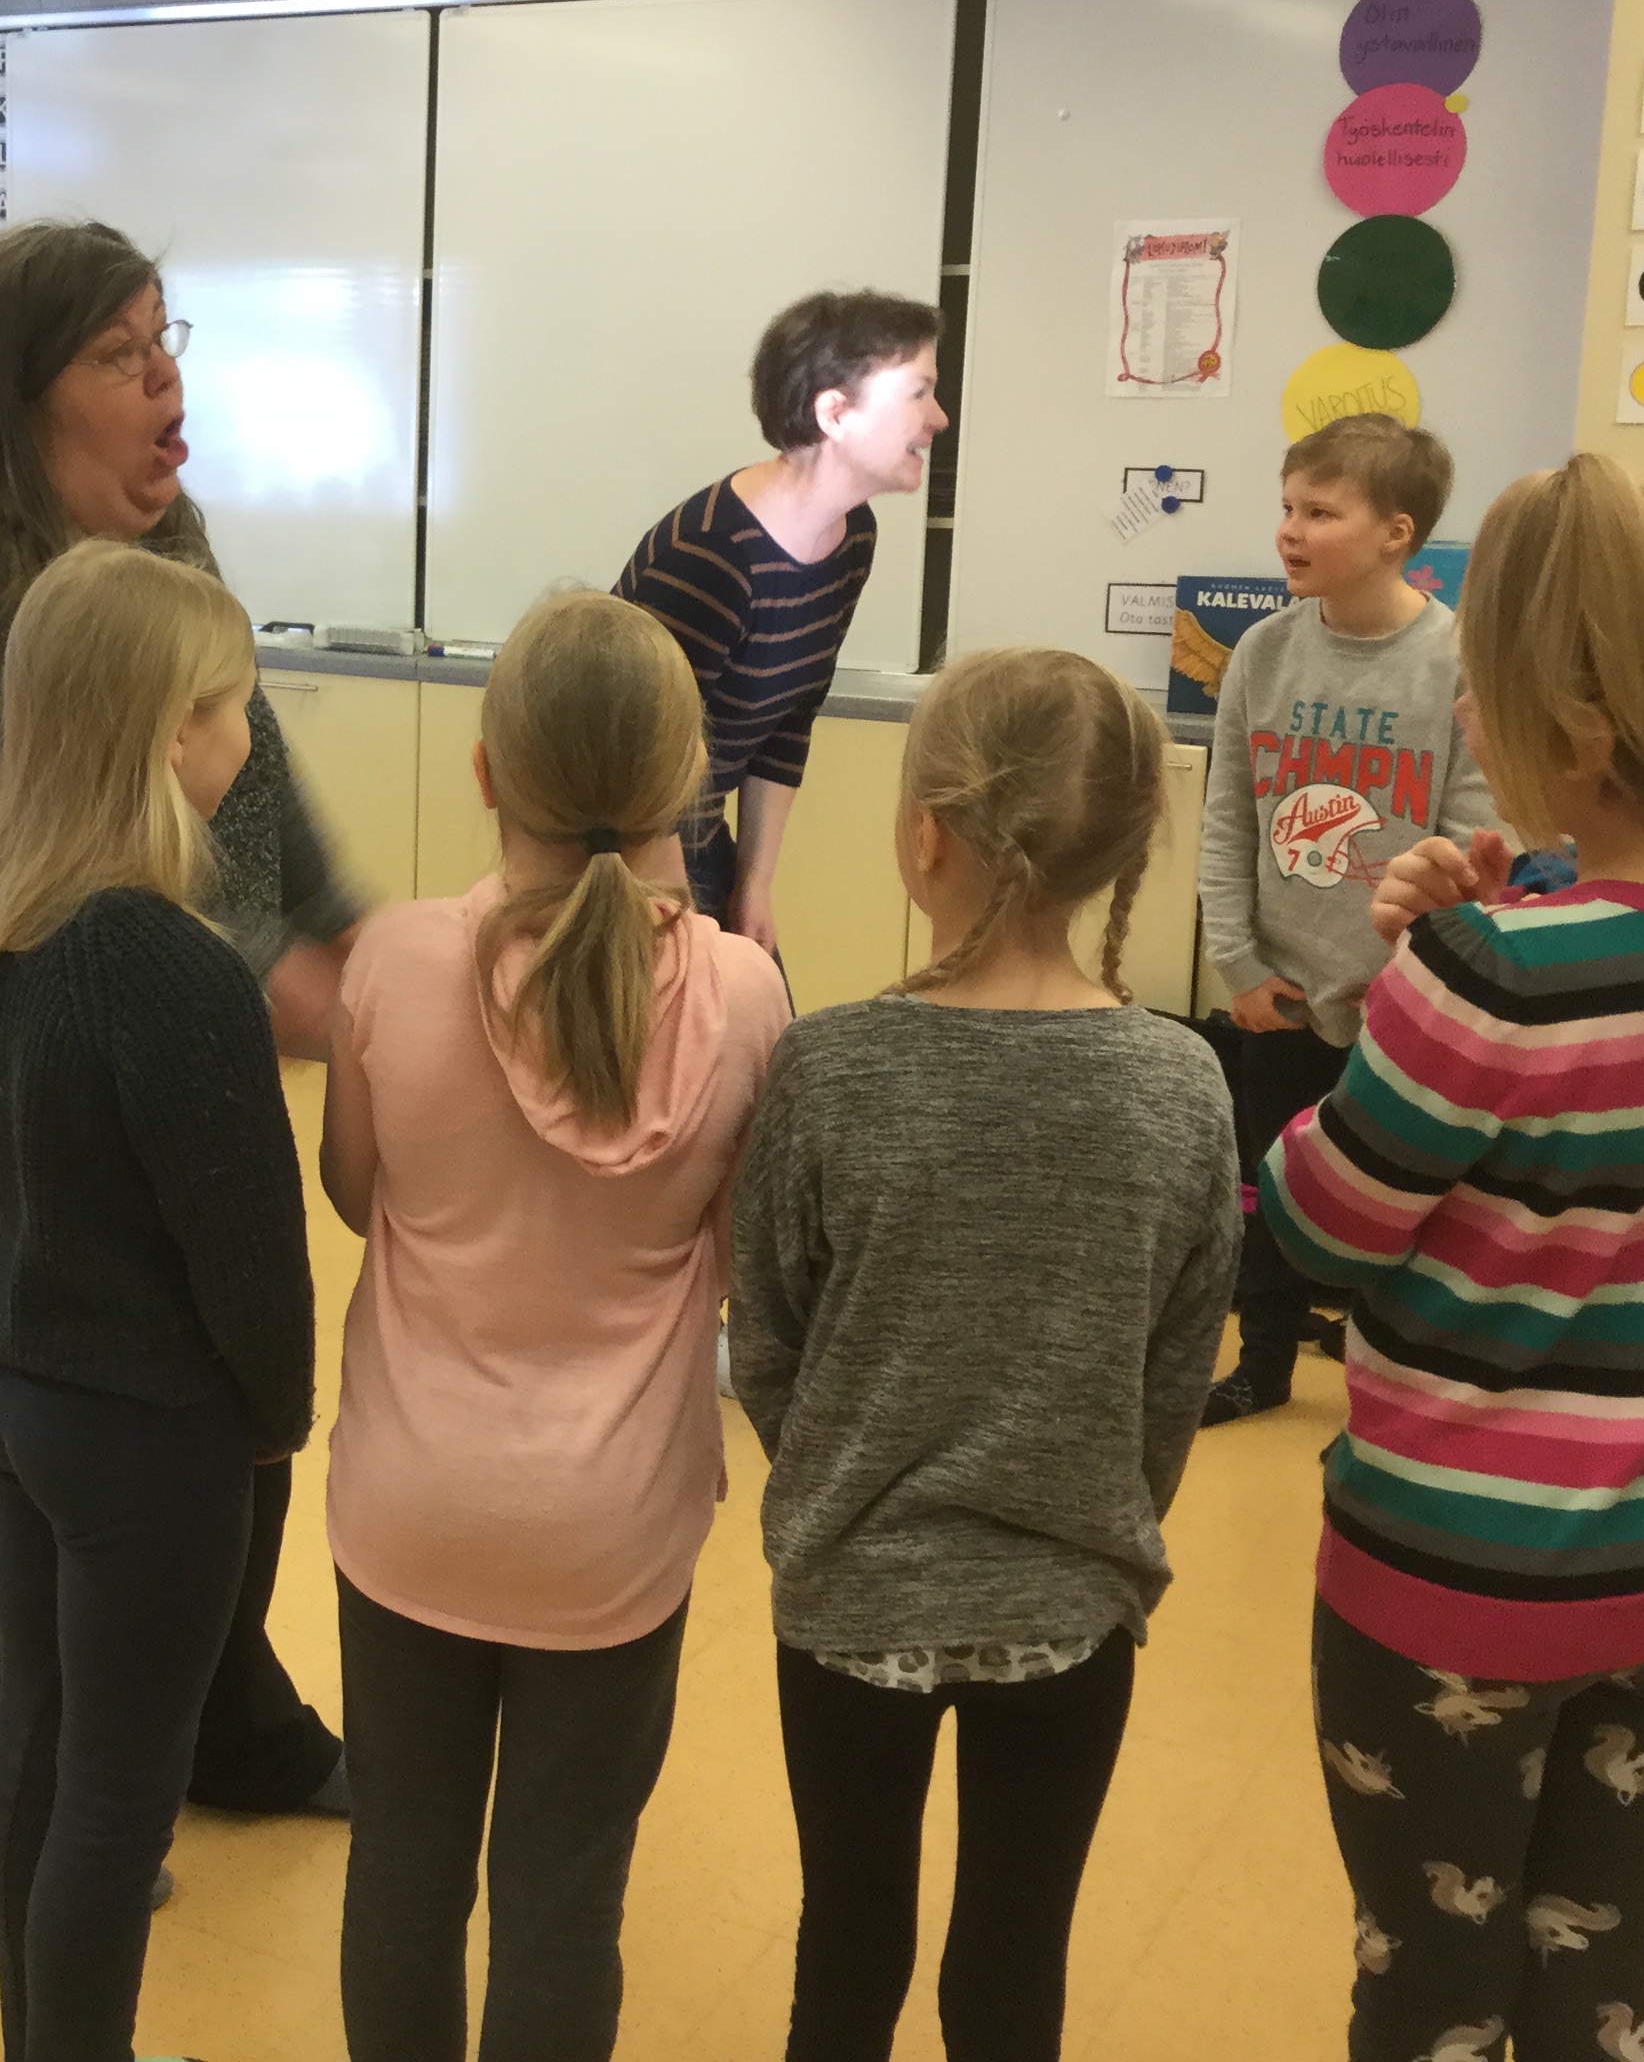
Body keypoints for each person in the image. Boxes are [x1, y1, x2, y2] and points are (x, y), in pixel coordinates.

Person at [0, 218, 354, 1859]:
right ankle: (32, 1803)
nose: (163, 380)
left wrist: (339, 931)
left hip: (162, 1043)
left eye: (165, 340)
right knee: (32, 1472)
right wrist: (246, 971)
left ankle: (216, 1726)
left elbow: (251, 762)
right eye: (120, 354)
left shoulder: (157, 530)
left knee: (201, 1431)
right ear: (22, 387)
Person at [1269, 456, 1644, 2062]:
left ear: (1581, 740)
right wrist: (1526, 911)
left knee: (1433, 1982)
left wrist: (1420, 983)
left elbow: (1318, 1225)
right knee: (1605, 1966)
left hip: (1459, 1578)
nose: (1468, 711)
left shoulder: (1485, 973)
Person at [731, 646, 1239, 2062]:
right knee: (1017, 1968)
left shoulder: (831, 1067)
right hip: (1074, 1605)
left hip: (852, 1595)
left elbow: (765, 1336)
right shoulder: (1180, 1082)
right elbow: (1178, 1363)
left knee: (844, 1956)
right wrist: (1102, 1505)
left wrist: (838, 1477)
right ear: (1123, 849)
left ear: (925, 835)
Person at [318, 590, 786, 2062]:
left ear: (484, 773)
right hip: (614, 1538)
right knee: (567, 1903)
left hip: (408, 1512)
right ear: (688, 790)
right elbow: (741, 1261)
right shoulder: (746, 995)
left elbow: (355, 1194)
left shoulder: (394, 959)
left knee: (401, 1875)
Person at [0, 541, 318, 2062]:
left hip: (7, 1387)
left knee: (33, 1761)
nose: (251, 734)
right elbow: (250, 1252)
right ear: (172, 733)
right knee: (114, 1800)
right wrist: (276, 1421)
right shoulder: (174, 969)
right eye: (237, 705)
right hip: (142, 1433)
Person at [1196, 412, 1497, 1426]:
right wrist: (1238, 964)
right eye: (1288, 507)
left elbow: (1470, 838)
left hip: (1401, 1001)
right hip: (1279, 991)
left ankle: (1385, 1392)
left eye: (1321, 513)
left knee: (1400, 1203)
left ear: (1396, 533)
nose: (1290, 530)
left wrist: (1414, 977)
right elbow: (1228, 819)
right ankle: (1263, 1364)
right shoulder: (1263, 652)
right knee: (1272, 1187)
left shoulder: (1456, 661)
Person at [613, 288, 944, 950]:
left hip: (696, 840)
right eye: (918, 392)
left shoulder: (851, 537)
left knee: (762, 1002)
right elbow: (641, 769)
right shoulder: (711, 554)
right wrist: (688, 927)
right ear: (835, 413)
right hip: (622, 858)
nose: (938, 417)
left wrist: (753, 885)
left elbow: (789, 723)